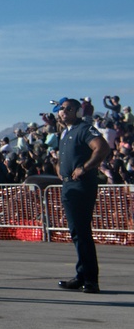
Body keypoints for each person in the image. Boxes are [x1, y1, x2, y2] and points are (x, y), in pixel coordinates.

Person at [55, 98, 110, 294]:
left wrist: (84, 168)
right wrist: (60, 168)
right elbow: (63, 157)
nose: (63, 112)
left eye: (68, 109)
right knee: (76, 233)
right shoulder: (64, 133)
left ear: (78, 111)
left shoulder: (84, 129)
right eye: (61, 109)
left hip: (81, 186)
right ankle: (81, 275)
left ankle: (90, 279)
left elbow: (102, 148)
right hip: (68, 185)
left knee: (82, 232)